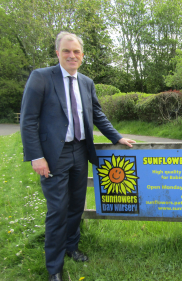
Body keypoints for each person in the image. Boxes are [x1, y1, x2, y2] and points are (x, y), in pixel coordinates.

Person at [20, 31, 136, 281]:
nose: (72, 55)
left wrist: (116, 137)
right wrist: (36, 157)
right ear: (57, 53)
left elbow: (97, 114)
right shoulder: (41, 78)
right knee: (57, 210)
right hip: (53, 156)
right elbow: (28, 121)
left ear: (82, 55)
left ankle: (71, 246)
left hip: (81, 152)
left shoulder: (86, 82)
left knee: (75, 206)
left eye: (76, 52)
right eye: (66, 51)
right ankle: (54, 267)